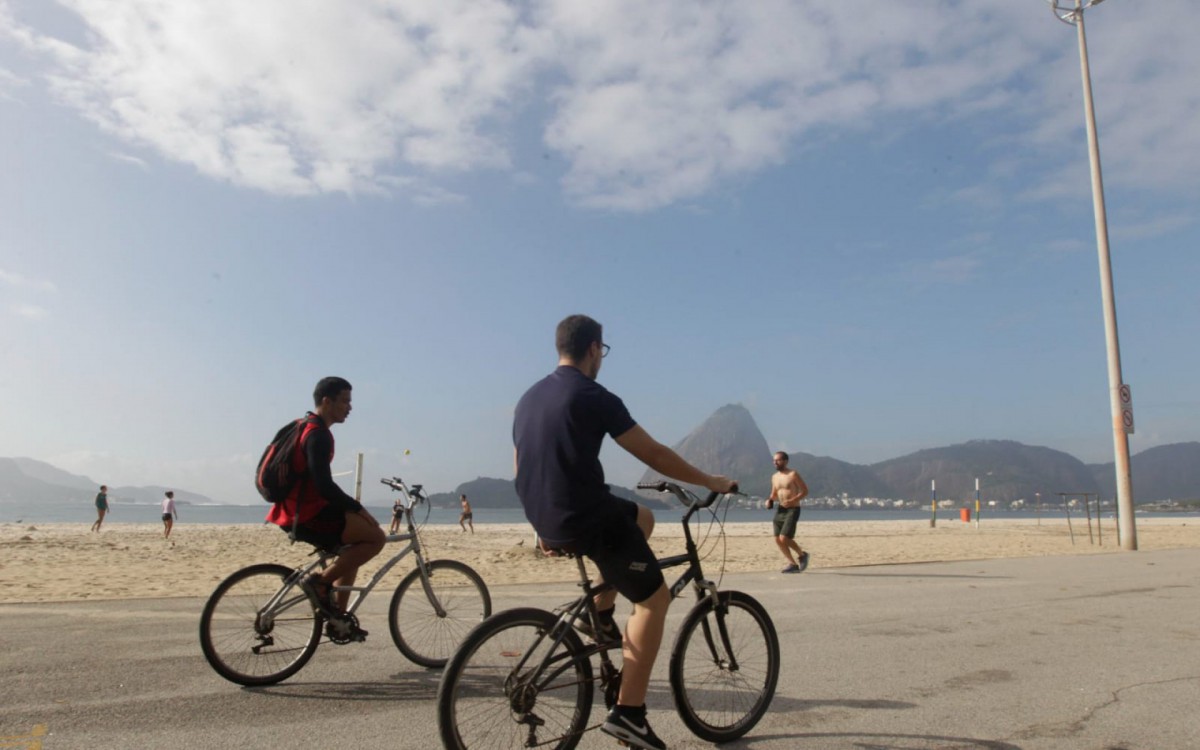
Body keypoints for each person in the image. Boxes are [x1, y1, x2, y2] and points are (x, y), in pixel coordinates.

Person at [513, 314, 735, 750]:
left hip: (545, 515)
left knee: (643, 519)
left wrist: (541, 524)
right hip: (586, 516)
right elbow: (653, 453)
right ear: (594, 349)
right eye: (603, 351)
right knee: (654, 599)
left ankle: (599, 612)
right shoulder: (594, 395)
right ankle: (630, 715)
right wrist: (710, 480)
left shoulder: (528, 397)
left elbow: (522, 465)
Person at [265, 377, 385, 639]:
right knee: (376, 537)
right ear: (327, 401)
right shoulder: (318, 435)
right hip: (305, 514)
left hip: (292, 510)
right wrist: (358, 508)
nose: (349, 407)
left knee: (352, 547)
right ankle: (319, 583)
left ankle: (338, 620)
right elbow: (323, 485)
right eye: (345, 401)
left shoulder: (302, 425)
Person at [767, 451, 810, 573]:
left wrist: (792, 500)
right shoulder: (774, 477)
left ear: (785, 461)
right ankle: (792, 564)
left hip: (793, 509)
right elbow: (774, 494)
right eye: (774, 460)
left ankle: (802, 555)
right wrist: (769, 500)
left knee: (784, 538)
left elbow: (805, 491)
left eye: (778, 460)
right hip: (780, 509)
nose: (775, 462)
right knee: (777, 539)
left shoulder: (793, 474)